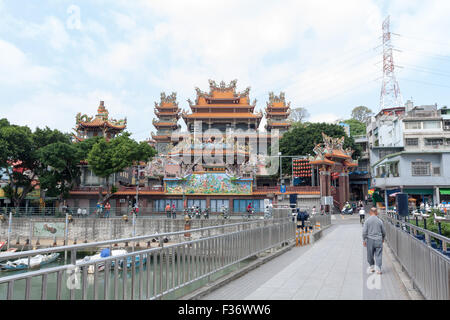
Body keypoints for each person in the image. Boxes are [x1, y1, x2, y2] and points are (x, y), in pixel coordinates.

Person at [362, 207, 386, 274]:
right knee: (378, 254)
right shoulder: (380, 221)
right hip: (378, 240)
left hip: (370, 240)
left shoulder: (367, 221)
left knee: (370, 254)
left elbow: (364, 232)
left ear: (370, 212)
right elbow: (383, 231)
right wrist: (383, 238)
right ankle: (378, 269)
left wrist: (364, 240)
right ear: (376, 212)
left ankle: (372, 267)